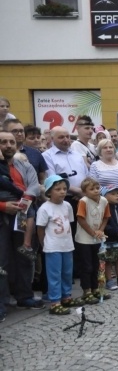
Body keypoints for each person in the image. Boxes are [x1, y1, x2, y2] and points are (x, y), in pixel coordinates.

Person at [0, 130, 41, 315]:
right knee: (3, 260)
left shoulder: (24, 164)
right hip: (2, 215)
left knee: (24, 255)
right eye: (3, 142)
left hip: (23, 215)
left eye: (11, 142)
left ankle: (24, 296)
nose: (8, 145)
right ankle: (2, 303)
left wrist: (23, 203)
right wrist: (3, 206)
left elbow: (33, 185)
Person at [36, 176, 75, 315]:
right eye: (58, 189)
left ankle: (66, 296)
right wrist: (44, 243)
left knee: (67, 272)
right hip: (53, 246)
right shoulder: (45, 208)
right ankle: (55, 301)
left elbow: (68, 223)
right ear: (49, 191)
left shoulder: (67, 206)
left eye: (64, 189)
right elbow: (40, 228)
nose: (62, 192)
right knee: (54, 274)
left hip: (67, 245)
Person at [74, 177, 109, 305]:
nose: (95, 191)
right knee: (86, 266)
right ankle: (86, 291)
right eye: (91, 189)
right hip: (84, 239)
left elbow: (106, 217)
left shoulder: (104, 200)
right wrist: (92, 232)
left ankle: (96, 289)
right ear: (85, 191)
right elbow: (81, 218)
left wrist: (100, 230)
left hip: (97, 239)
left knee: (96, 265)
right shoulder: (84, 201)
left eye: (97, 188)